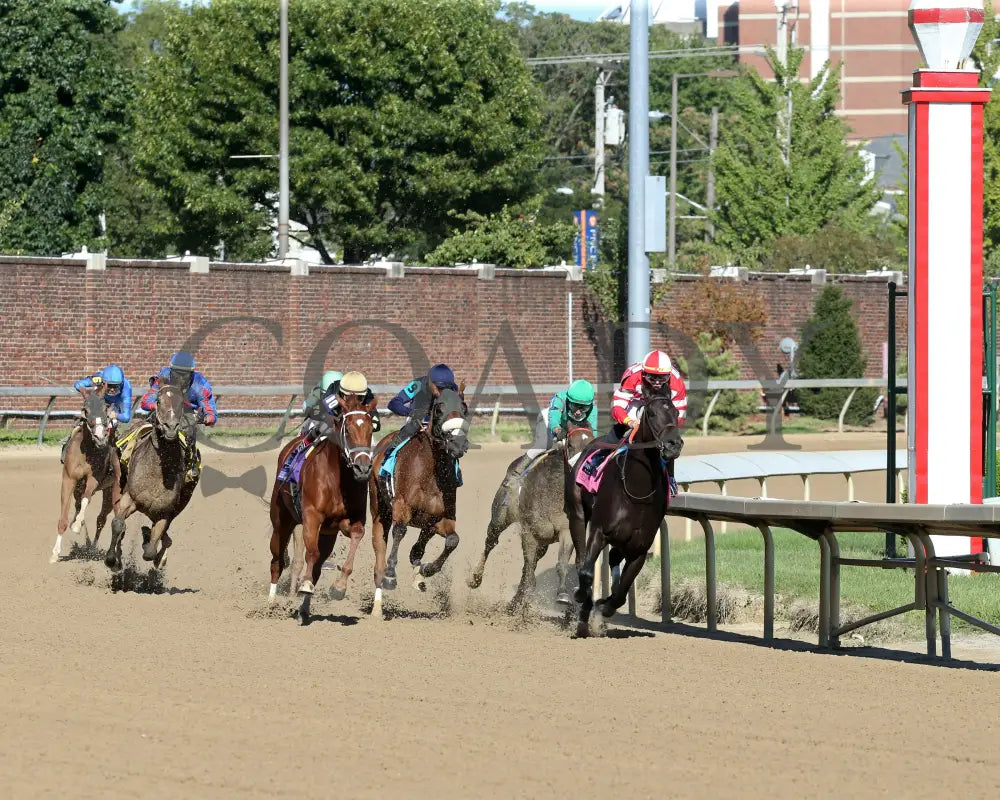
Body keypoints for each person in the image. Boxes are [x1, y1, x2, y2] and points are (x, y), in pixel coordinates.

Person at [126, 351, 217, 481]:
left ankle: (190, 464)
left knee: (189, 430)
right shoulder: (163, 376)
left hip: (186, 414)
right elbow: (146, 402)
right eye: (176, 374)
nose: (179, 379)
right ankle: (125, 450)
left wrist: (205, 418)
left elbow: (212, 414)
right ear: (171, 370)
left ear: (191, 374)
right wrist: (159, 407)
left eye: (184, 375)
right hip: (163, 410)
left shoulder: (201, 385)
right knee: (142, 426)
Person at [60, 364, 132, 463]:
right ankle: (68, 443)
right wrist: (88, 388)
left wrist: (115, 414)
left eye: (116, 386)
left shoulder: (126, 387)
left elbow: (126, 417)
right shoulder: (98, 378)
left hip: (114, 407)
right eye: (110, 385)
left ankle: (119, 457)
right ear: (103, 382)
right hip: (98, 402)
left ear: (121, 383)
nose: (112, 389)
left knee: (113, 425)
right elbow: (77, 385)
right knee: (84, 422)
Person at [520, 379, 598, 470]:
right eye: (574, 406)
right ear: (569, 400)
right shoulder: (560, 399)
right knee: (544, 445)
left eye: (583, 408)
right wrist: (557, 429)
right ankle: (517, 472)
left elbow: (593, 434)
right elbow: (554, 418)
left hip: (568, 428)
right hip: (549, 421)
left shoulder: (593, 410)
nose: (578, 412)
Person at [609, 349, 687, 438]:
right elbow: (617, 406)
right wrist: (629, 422)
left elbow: (680, 414)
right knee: (623, 427)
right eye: (652, 377)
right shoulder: (632, 377)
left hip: (661, 406)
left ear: (669, 375)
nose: (657, 382)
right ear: (643, 374)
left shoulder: (677, 383)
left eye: (663, 377)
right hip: (637, 402)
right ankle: (609, 445)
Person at [387, 363, 459, 441]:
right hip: (416, 423)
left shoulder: (453, 387)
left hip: (440, 424)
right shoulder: (417, 384)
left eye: (446, 389)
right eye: (439, 388)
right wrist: (411, 412)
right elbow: (393, 403)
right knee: (407, 432)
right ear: (430, 382)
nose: (442, 393)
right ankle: (391, 451)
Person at [301, 370, 379, 443]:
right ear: (342, 393)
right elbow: (321, 412)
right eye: (350, 396)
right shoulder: (333, 393)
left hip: (353, 428)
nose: (355, 400)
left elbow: (375, 420)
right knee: (321, 428)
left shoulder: (367, 394)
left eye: (360, 397)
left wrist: (372, 422)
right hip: (331, 420)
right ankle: (302, 447)